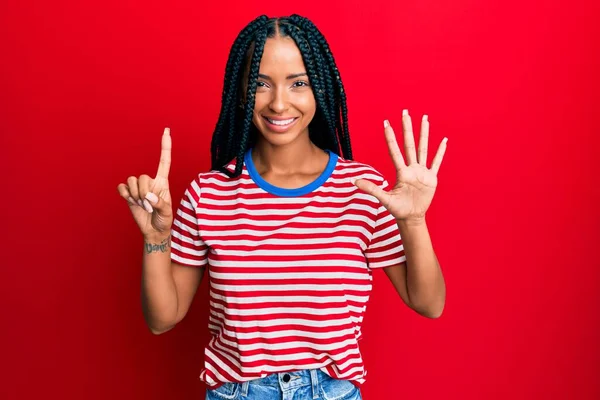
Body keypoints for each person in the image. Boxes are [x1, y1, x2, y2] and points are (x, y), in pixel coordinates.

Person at [117, 14, 447, 400]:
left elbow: (429, 303)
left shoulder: (362, 190)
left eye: (298, 83)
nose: (278, 103)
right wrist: (157, 238)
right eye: (260, 84)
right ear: (241, 91)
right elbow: (162, 319)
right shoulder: (209, 193)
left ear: (319, 88)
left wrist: (415, 221)